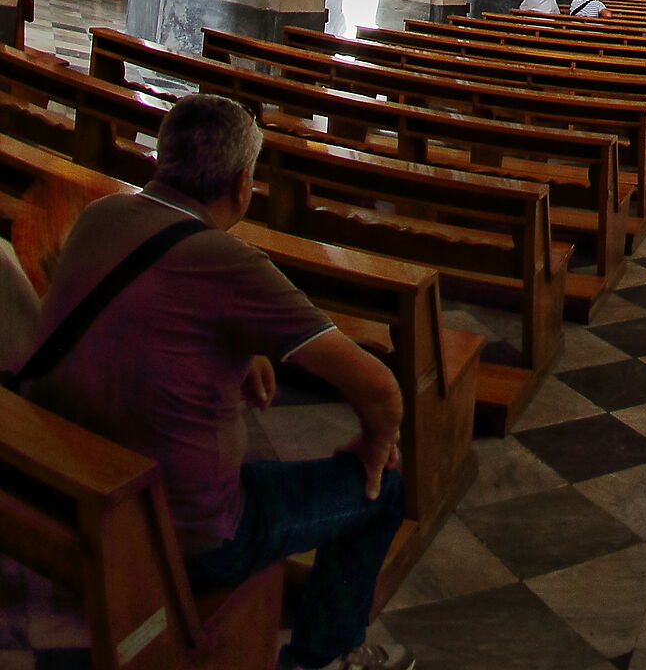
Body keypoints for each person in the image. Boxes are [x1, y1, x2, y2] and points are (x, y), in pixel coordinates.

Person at [23, 93, 411, 670]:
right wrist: (377, 448)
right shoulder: (232, 264)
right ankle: (324, 655)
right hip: (193, 530)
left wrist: (244, 344)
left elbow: (147, 312)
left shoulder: (101, 215)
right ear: (241, 186)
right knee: (385, 493)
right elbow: (379, 388)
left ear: (163, 160)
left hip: (79, 483)